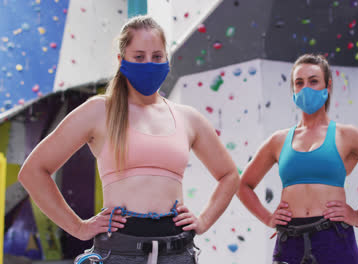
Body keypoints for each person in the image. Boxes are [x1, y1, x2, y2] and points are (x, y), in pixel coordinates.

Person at [18, 15, 240, 264]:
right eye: (139, 56)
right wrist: (78, 228)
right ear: (121, 61)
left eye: (157, 56)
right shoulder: (99, 110)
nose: (149, 63)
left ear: (167, 59)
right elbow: (33, 171)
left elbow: (229, 175)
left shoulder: (188, 118)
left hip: (177, 252)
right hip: (120, 252)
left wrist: (204, 220)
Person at [237, 54, 358, 264]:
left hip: (334, 239)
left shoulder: (348, 135)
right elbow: (242, 185)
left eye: (313, 81)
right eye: (299, 83)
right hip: (289, 241)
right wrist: (268, 218)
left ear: (327, 86)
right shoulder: (278, 140)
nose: (306, 88)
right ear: (293, 89)